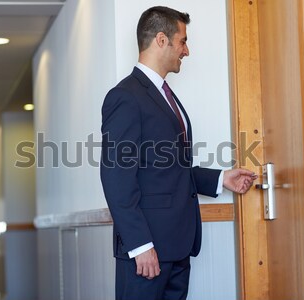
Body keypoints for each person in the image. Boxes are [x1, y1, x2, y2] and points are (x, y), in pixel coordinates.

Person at [101, 6, 257, 300]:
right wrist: (140, 245)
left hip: (176, 247)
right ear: (162, 40)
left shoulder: (163, 94)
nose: (186, 51)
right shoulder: (125, 96)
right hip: (147, 252)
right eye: (183, 41)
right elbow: (116, 176)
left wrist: (222, 178)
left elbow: (167, 167)